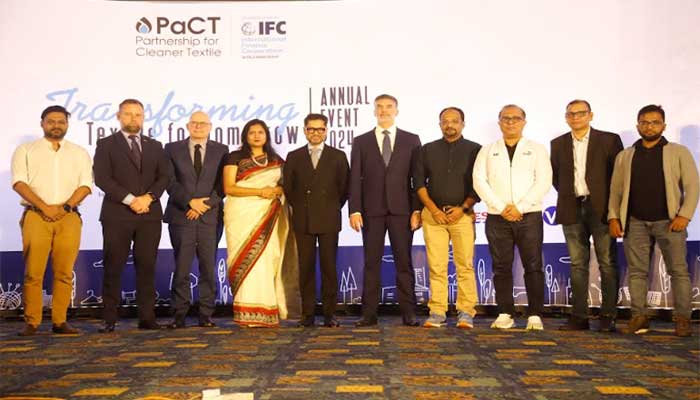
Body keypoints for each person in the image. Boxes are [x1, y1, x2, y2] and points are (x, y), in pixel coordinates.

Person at [608, 104, 699, 337]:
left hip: (669, 221)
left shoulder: (678, 152)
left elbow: (692, 185)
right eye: (645, 122)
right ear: (638, 125)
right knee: (637, 272)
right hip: (635, 222)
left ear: (664, 126)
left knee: (678, 271)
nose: (649, 127)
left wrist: (685, 215)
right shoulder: (626, 155)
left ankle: (683, 319)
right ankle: (639, 317)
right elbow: (616, 190)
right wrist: (614, 217)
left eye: (655, 122)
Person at [11, 105, 93, 336]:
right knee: (33, 272)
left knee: (65, 272)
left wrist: (65, 207)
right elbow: (19, 183)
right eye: (51, 121)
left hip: (69, 216)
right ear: (42, 123)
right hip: (36, 215)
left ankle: (60, 321)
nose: (56, 125)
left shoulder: (79, 152)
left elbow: (86, 185)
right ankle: (32, 322)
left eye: (61, 121)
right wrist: (44, 207)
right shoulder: (26, 150)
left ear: (67, 124)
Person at [93, 98, 171, 333]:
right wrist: (130, 200)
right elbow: (102, 178)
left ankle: (147, 318)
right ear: (118, 117)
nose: (133, 119)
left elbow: (164, 176)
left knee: (147, 266)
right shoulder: (106, 144)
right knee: (113, 267)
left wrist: (148, 198)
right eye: (128, 114)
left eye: (138, 114)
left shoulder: (155, 145)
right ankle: (109, 319)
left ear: (143, 117)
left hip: (149, 214)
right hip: (117, 214)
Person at [473, 104, 552, 330]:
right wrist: (501, 207)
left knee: (533, 265)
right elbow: (479, 181)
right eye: (505, 118)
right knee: (501, 266)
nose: (510, 122)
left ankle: (534, 314)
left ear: (524, 122)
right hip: (497, 217)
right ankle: (505, 313)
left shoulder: (536, 149)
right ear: (499, 122)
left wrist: (521, 207)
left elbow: (543, 181)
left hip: (529, 215)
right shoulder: (488, 150)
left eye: (516, 118)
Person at [349, 94, 422, 327]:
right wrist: (354, 210)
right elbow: (355, 178)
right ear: (374, 111)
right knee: (371, 263)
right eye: (379, 107)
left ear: (396, 111)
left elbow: (417, 178)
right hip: (372, 211)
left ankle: (409, 313)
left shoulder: (412, 140)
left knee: (404, 263)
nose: (384, 110)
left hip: (402, 211)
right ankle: (368, 314)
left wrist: (417, 210)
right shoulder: (361, 141)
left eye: (389, 107)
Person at [550, 100, 623, 332]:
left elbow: (618, 177)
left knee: (607, 262)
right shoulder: (558, 143)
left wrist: (615, 209)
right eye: (571, 114)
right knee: (577, 264)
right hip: (572, 206)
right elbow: (556, 178)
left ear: (590, 115)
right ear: (566, 117)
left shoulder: (609, 140)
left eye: (581, 113)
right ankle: (579, 316)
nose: (575, 117)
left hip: (602, 208)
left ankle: (608, 316)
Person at [413, 107, 481, 329]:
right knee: (437, 266)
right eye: (445, 121)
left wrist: (463, 208)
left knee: (465, 266)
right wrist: (434, 210)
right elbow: (419, 183)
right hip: (434, 217)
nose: (449, 124)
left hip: (462, 216)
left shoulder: (475, 150)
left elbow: (479, 185)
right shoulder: (427, 149)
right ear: (440, 124)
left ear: (463, 124)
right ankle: (437, 312)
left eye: (454, 121)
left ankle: (466, 312)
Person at [223, 119, 294, 327]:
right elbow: (229, 188)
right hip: (241, 215)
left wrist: (275, 191)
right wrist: (260, 191)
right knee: (244, 257)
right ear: (245, 136)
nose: (256, 136)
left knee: (267, 259)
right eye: (252, 132)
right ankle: (245, 311)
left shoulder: (276, 160)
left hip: (269, 215)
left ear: (266, 136)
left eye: (260, 132)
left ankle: (266, 309)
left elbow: (285, 186)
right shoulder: (234, 157)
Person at [283, 113, 349, 328]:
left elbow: (344, 189)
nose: (316, 133)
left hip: (329, 218)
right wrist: (302, 207)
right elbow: (289, 189)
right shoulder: (294, 156)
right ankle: (308, 314)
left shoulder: (338, 156)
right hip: (303, 219)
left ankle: (330, 314)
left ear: (326, 131)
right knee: (306, 268)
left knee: (329, 268)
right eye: (311, 129)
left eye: (320, 129)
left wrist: (330, 206)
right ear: (305, 131)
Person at [163, 111, 229, 329]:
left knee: (208, 267)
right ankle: (179, 314)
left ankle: (206, 314)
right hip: (181, 215)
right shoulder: (171, 149)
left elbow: (223, 184)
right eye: (194, 123)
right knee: (182, 267)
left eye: (203, 123)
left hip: (210, 217)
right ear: (187, 126)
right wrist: (190, 202)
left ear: (210, 127)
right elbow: (169, 181)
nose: (198, 126)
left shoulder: (222, 150)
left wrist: (204, 205)